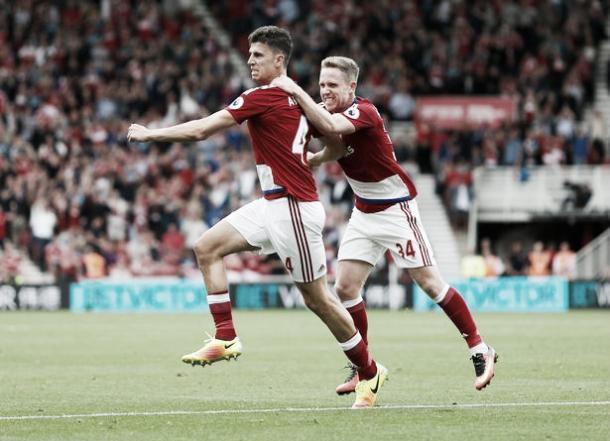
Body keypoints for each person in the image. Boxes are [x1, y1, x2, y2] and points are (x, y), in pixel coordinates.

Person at [127, 27, 386, 409]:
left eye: (258, 55)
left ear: (279, 61)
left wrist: (151, 135)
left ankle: (369, 371)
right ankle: (225, 335)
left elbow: (202, 130)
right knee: (207, 247)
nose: (250, 61)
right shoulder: (300, 103)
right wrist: (314, 159)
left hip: (294, 207)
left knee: (319, 300)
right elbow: (336, 140)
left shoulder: (263, 97)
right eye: (249, 54)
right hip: (272, 203)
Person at [270, 56, 497, 395]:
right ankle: (365, 367)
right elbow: (334, 143)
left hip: (396, 209)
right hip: (364, 210)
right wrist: (315, 155)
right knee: (344, 288)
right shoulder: (323, 111)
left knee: (431, 284)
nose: (325, 91)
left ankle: (481, 349)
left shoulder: (365, 111)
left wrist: (293, 89)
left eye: (333, 85)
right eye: (322, 85)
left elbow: (334, 131)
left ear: (352, 87)